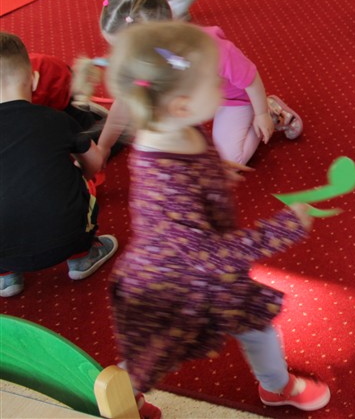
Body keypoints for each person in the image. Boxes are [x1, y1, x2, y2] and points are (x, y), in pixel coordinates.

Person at [105, 22, 329, 417]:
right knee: (158, 350)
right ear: (182, 104)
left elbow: (192, 163)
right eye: (213, 82)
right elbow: (208, 253)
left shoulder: (174, 128)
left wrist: (214, 170)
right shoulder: (167, 177)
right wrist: (283, 229)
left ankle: (275, 386)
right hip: (176, 279)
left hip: (189, 264)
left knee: (247, 325)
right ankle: (117, 397)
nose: (223, 86)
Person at [90, 0, 302, 165]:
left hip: (233, 98)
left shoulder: (210, 48)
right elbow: (124, 102)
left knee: (229, 161)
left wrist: (261, 114)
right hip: (191, 99)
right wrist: (104, 146)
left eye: (128, 48)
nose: (124, 56)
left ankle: (272, 110)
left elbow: (250, 79)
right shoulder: (143, 56)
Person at [0, 32, 115, 299]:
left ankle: (6, 277)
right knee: (77, 179)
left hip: (4, 251)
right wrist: (79, 176)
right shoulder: (55, 118)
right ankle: (82, 257)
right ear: (34, 79)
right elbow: (95, 162)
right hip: (67, 237)